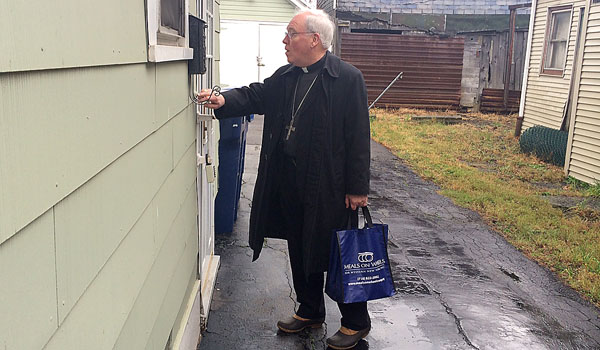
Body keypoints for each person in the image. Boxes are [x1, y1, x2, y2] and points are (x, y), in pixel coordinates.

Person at [198, 8, 371, 350]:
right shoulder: (287, 75)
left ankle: (355, 321)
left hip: (330, 186)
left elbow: (359, 136)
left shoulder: (347, 78)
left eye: (291, 33)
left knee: (337, 252)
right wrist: (223, 99)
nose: (284, 40)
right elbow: (256, 95)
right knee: (299, 246)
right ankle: (310, 309)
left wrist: (357, 188)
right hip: (290, 182)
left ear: (315, 39)